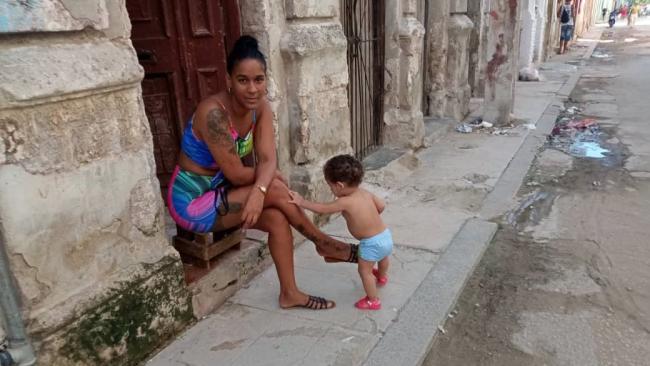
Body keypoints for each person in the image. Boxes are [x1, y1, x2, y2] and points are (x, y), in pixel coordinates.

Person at [167, 35, 359, 311]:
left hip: (224, 193)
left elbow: (269, 159)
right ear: (228, 80)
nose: (253, 88)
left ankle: (290, 293)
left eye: (259, 79)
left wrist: (260, 190)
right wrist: (266, 184)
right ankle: (325, 244)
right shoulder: (213, 114)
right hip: (192, 202)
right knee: (277, 187)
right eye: (243, 80)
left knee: (278, 219)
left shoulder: (261, 109)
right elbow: (236, 173)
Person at [288, 155, 393, 310]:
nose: (331, 189)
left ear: (339, 185)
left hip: (370, 243)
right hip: (385, 235)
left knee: (365, 271)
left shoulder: (344, 202)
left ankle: (373, 300)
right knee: (383, 258)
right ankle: (382, 277)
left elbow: (323, 209)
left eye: (330, 187)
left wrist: (302, 202)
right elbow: (382, 206)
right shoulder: (365, 193)